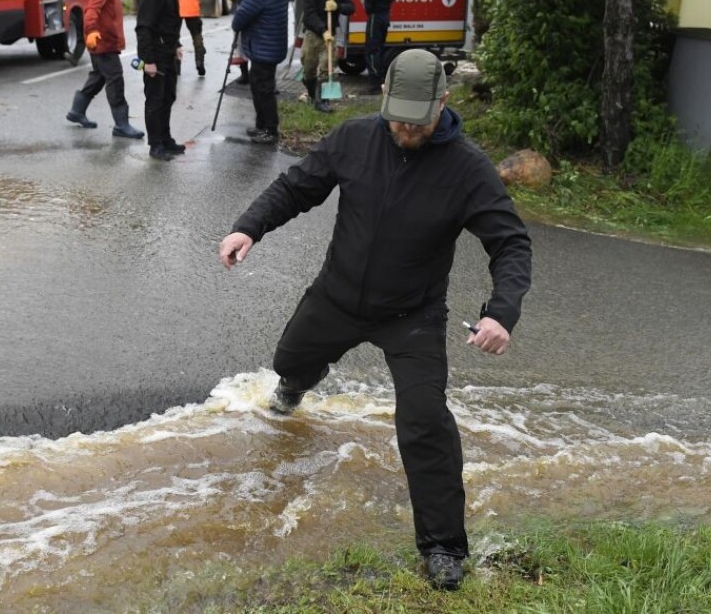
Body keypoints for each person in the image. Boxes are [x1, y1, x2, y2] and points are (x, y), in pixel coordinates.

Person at [217, 49, 532, 592]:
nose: (406, 130)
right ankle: (297, 386)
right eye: (398, 117)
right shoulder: (356, 138)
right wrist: (249, 227)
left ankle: (442, 548)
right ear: (384, 98)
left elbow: (511, 244)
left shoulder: (468, 169)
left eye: (419, 120)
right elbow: (297, 187)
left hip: (412, 315)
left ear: (444, 104)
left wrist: (501, 313)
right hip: (336, 298)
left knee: (424, 420)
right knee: (288, 362)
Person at [66, 0, 144, 139]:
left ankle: (77, 110)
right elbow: (93, 6)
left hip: (100, 36)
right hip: (102, 37)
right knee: (115, 78)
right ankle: (121, 124)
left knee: (100, 75)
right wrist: (91, 30)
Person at [134, 0, 191, 161]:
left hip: (167, 53)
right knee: (155, 100)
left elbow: (167, 23)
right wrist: (148, 60)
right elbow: (144, 28)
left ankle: (166, 139)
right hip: (154, 57)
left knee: (168, 97)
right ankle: (155, 145)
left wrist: (175, 44)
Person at [229, 0, 289, 144]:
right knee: (262, 87)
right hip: (273, 42)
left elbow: (243, 15)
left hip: (263, 45)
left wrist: (236, 24)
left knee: (262, 90)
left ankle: (269, 130)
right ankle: (262, 126)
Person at [301, 0, 355, 112]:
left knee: (327, 67)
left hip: (330, 36)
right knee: (308, 68)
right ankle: (313, 96)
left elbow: (351, 7)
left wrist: (338, 6)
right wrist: (322, 30)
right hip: (313, 34)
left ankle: (322, 102)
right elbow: (309, 14)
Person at [361, 0, 398, 89]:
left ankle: (374, 83)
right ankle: (380, 79)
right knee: (380, 48)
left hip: (376, 16)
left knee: (372, 49)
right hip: (385, 15)